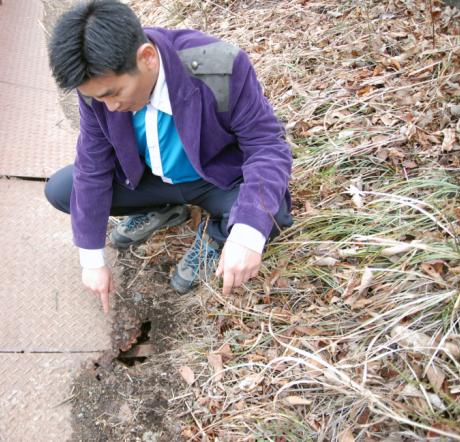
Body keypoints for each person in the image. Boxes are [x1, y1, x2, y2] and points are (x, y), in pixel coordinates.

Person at [45, 0, 292, 313]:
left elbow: (266, 144)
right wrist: (91, 259)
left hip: (215, 179)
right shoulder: (98, 92)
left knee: (268, 214)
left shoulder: (216, 66)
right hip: (150, 177)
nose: (110, 107)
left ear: (147, 57)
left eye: (114, 93)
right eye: (98, 98)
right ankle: (165, 209)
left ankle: (215, 236)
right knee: (63, 190)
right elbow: (92, 165)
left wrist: (245, 237)